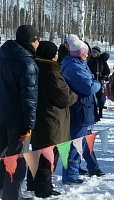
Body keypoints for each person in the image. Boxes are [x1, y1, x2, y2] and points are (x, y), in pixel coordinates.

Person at [26, 41, 78, 198]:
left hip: (39, 117)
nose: (57, 55)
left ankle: (33, 184)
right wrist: (74, 94)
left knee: (37, 151)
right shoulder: (51, 71)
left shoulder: (33, 68)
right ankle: (44, 187)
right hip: (52, 119)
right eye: (55, 52)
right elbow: (64, 97)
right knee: (48, 154)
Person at [0, 25, 40, 200]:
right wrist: (29, 124)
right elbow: (29, 98)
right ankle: (12, 196)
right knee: (16, 159)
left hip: (2, 115)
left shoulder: (2, 55)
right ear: (33, 40)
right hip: (17, 119)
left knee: (2, 157)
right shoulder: (27, 62)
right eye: (37, 39)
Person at [60, 34, 103, 184]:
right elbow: (89, 87)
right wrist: (98, 84)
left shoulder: (79, 64)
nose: (88, 55)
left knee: (85, 141)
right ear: (79, 53)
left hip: (85, 109)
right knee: (76, 144)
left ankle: (92, 167)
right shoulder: (73, 68)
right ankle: (70, 176)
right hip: (79, 110)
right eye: (85, 52)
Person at [87, 46, 110, 119]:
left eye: (95, 52)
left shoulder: (101, 61)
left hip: (100, 80)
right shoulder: (90, 60)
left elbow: (107, 71)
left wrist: (104, 76)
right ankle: (93, 112)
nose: (93, 54)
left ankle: (100, 112)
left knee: (100, 97)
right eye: (92, 52)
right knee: (91, 97)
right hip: (91, 80)